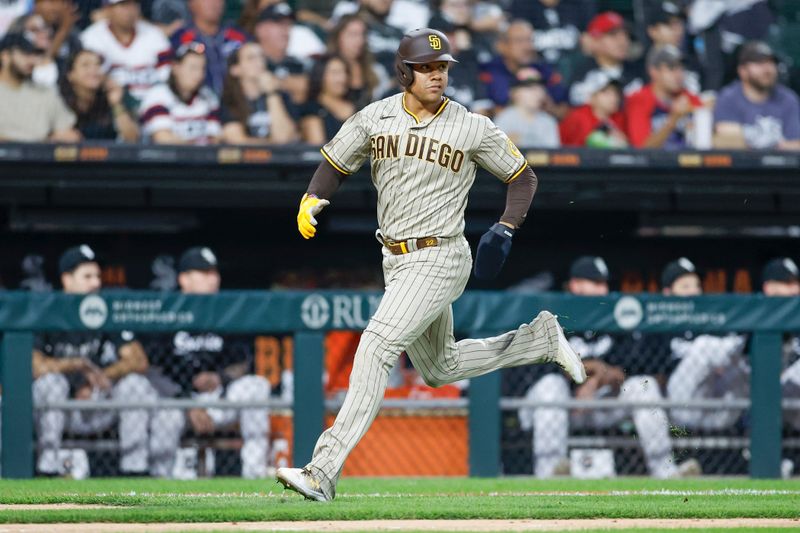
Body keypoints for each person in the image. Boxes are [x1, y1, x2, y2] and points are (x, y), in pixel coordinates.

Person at [276, 28, 586, 502]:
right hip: (395, 259)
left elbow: (523, 178)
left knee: (377, 344)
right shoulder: (375, 117)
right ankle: (537, 340)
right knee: (439, 367)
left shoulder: (471, 125)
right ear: (405, 72)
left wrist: (505, 227)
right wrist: (311, 198)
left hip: (441, 254)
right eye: (426, 67)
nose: (437, 74)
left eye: (442, 67)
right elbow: (336, 164)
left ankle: (323, 469)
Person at [519, 256, 700, 479]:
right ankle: (549, 473)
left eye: (604, 283)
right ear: (576, 285)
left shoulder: (616, 316)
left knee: (644, 386)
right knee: (551, 385)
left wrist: (596, 377)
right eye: (595, 283)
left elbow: (630, 370)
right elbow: (548, 367)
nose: (603, 289)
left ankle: (665, 471)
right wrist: (593, 369)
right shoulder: (553, 313)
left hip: (602, 403)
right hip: (562, 404)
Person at [32, 245, 166, 476]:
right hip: (60, 407)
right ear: (67, 279)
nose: (96, 283)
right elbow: (36, 366)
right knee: (51, 383)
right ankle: (48, 466)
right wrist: (78, 365)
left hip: (98, 401)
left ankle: (134, 470)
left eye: (97, 276)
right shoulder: (47, 312)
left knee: (137, 384)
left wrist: (100, 376)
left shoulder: (106, 309)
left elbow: (138, 359)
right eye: (87, 276)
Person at [145, 247, 272, 478]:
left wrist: (220, 378)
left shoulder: (228, 312)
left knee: (257, 385)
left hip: (219, 399)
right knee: (165, 415)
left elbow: (243, 363)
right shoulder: (166, 313)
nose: (213, 278)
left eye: (214, 272)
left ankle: (255, 474)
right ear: (184, 279)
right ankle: (158, 480)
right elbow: (151, 369)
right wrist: (185, 402)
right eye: (204, 272)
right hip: (177, 401)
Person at [664, 257, 749, 432]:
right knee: (705, 345)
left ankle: (746, 346)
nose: (694, 291)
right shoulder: (657, 325)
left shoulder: (712, 322)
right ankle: (742, 346)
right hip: (678, 406)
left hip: (717, 407)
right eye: (686, 286)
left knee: (740, 365)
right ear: (668, 292)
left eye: (697, 286)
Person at [80, 0, 171, 110]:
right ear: (108, 9)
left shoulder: (154, 34)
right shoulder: (91, 38)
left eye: (134, 4)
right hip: (110, 107)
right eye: (123, 5)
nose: (130, 10)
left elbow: (168, 77)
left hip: (154, 107)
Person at [713, 41, 800, 151]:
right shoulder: (728, 98)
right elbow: (724, 136)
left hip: (780, 168)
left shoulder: (788, 99)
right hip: (740, 167)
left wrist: (769, 144)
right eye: (759, 63)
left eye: (771, 62)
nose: (767, 69)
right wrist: (771, 144)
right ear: (742, 70)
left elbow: (796, 144)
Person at [0, 31, 80, 142]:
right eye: (25, 54)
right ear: (5, 56)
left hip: (40, 157)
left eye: (34, 55)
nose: (32, 60)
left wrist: (43, 145)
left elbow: (69, 134)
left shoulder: (46, 93)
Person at [480, 19, 567, 115]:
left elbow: (564, 109)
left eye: (530, 40)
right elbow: (480, 112)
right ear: (502, 46)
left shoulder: (544, 70)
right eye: (519, 41)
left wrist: (550, 108)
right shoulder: (488, 71)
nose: (527, 46)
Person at [139, 41, 221, 145]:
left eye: (202, 68)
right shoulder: (157, 95)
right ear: (176, 68)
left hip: (202, 160)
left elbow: (215, 139)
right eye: (193, 68)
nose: (199, 75)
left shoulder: (208, 96)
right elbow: (163, 139)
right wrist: (197, 144)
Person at [624, 45, 702, 149]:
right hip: (655, 164)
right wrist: (673, 120)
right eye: (671, 68)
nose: (678, 74)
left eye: (681, 68)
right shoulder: (639, 99)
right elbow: (642, 149)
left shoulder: (689, 97)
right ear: (653, 71)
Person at [220, 41, 297, 144]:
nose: (259, 62)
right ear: (235, 69)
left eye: (261, 57)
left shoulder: (281, 96)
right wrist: (273, 143)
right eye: (251, 58)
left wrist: (272, 93)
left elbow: (284, 138)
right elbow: (237, 141)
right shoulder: (229, 100)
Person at [170, 0, 248, 96]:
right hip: (198, 104)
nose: (214, 3)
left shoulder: (237, 35)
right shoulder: (180, 38)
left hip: (239, 103)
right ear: (192, 4)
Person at [60, 48, 139, 141]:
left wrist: (116, 103)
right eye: (85, 65)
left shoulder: (112, 95)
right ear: (71, 75)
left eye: (97, 65)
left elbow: (132, 139)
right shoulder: (59, 101)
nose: (93, 70)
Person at [569, 11, 645, 106]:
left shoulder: (639, 71)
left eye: (625, 34)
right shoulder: (582, 75)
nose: (623, 41)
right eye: (613, 35)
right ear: (595, 41)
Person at [760, 258, 800, 439]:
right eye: (787, 283)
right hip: (756, 395)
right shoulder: (754, 318)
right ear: (769, 288)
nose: (795, 289)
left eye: (796, 283)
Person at [326, 13, 390, 109]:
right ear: (338, 37)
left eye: (363, 34)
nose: (360, 40)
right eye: (353, 34)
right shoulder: (326, 68)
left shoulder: (375, 70)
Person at [507, 0, 596, 65]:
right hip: (535, 66)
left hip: (574, 66)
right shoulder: (521, 5)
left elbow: (590, 38)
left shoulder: (579, 3)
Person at [252, 3, 309, 105]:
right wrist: (291, 84)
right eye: (278, 23)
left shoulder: (297, 63)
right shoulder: (250, 59)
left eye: (288, 24)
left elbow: (307, 89)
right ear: (260, 29)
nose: (285, 30)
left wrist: (276, 82)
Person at [494, 67, 560, 148]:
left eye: (540, 88)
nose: (538, 93)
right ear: (515, 93)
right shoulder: (504, 119)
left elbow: (554, 156)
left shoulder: (548, 121)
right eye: (531, 88)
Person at [645, 1, 701, 94]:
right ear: (652, 31)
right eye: (669, 24)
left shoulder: (694, 62)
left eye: (680, 23)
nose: (677, 29)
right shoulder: (638, 68)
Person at [559, 70, 626, 147]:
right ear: (591, 96)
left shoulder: (620, 118)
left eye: (616, 93)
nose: (614, 98)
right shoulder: (578, 117)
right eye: (605, 92)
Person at [299, 54, 355, 144]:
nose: (343, 78)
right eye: (335, 73)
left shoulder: (358, 103)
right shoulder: (311, 110)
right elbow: (317, 149)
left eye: (345, 72)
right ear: (320, 76)